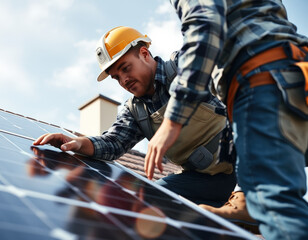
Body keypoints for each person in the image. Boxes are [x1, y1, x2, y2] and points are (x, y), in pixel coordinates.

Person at [145, 1, 308, 239]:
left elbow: (205, 27)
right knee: (271, 198)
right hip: (293, 76)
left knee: (272, 204)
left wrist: (172, 120)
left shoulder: (173, 66)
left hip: (261, 79)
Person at [34, 26, 237, 208]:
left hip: (247, 161)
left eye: (125, 68)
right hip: (207, 181)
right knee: (151, 198)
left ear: (144, 53)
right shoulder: (136, 111)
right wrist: (77, 143)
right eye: (116, 77)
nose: (124, 80)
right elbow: (113, 143)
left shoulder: (182, 66)